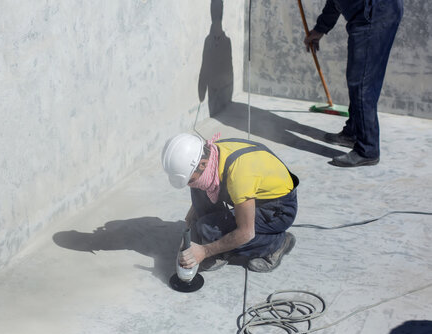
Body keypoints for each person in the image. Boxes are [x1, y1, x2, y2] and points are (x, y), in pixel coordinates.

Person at [161, 133, 299, 272]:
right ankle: (219, 242)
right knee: (199, 188)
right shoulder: (211, 153)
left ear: (202, 164)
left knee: (207, 229)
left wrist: (205, 251)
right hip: (254, 193)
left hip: (278, 208)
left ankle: (277, 243)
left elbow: (246, 232)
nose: (189, 184)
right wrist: (194, 210)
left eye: (189, 179)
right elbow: (202, 184)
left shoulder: (239, 177)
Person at [305, 0, 403, 167]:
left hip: (374, 14)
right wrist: (320, 29)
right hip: (369, 13)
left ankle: (367, 150)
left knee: (362, 82)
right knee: (358, 78)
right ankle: (354, 133)